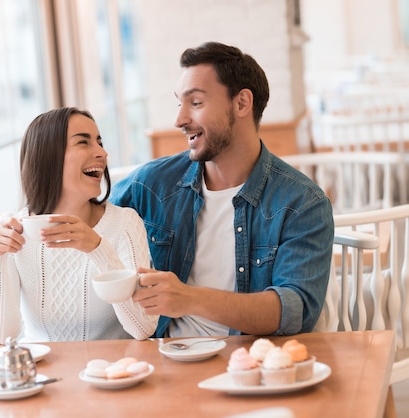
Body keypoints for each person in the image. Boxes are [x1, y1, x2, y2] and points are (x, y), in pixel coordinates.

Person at [111, 41, 334, 338]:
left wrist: (189, 298)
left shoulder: (302, 202)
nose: (179, 119)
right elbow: (94, 216)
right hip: (162, 361)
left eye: (196, 103)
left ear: (242, 103)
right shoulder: (152, 183)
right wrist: (29, 223)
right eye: (180, 103)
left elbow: (295, 311)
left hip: (248, 367)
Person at [0, 107, 157, 344]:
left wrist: (98, 248)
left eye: (99, 142)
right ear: (48, 157)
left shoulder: (125, 223)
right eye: (83, 143)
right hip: (42, 374)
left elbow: (143, 328)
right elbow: (3, 335)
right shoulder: (16, 231)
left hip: (110, 374)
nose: (102, 153)